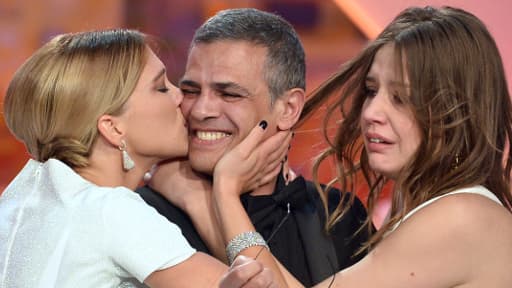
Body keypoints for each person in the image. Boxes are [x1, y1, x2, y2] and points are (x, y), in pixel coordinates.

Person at [231, 5, 512, 287]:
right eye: (371, 90)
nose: (370, 113)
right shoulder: (432, 208)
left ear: (454, 110)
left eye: (401, 98)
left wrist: (221, 199)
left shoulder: (459, 217)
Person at [0, 29, 284, 288]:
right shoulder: (113, 211)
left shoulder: (19, 201)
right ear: (112, 128)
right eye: (161, 88)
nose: (180, 97)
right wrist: (225, 190)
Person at [136, 8, 372, 286]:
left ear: (288, 108)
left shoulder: (338, 214)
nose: (201, 110)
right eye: (190, 91)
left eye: (229, 94)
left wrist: (215, 196)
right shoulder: (142, 214)